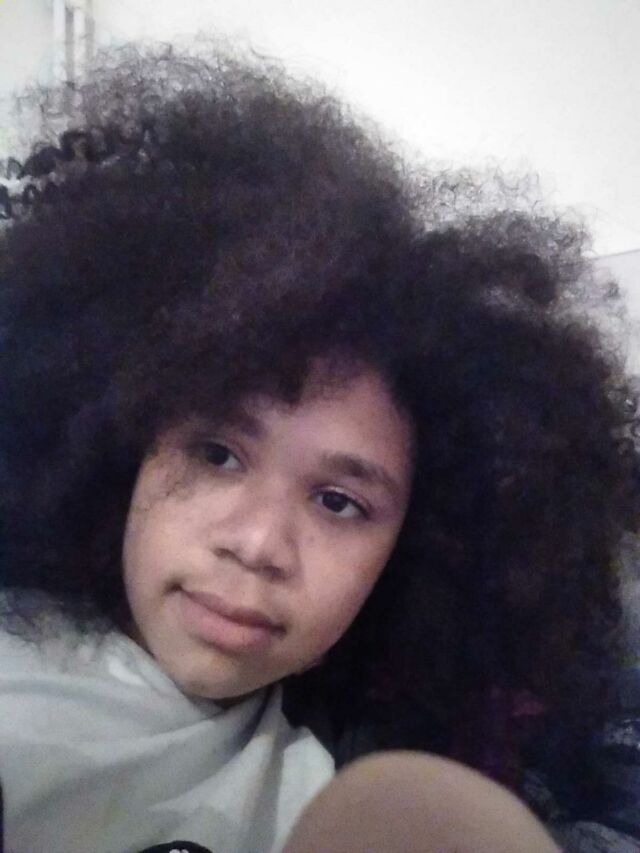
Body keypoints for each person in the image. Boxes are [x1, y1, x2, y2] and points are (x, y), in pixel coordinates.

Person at [0, 43, 638, 853]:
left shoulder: (349, 800)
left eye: (339, 502)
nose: (258, 543)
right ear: (123, 441)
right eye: (217, 453)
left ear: (409, 557)